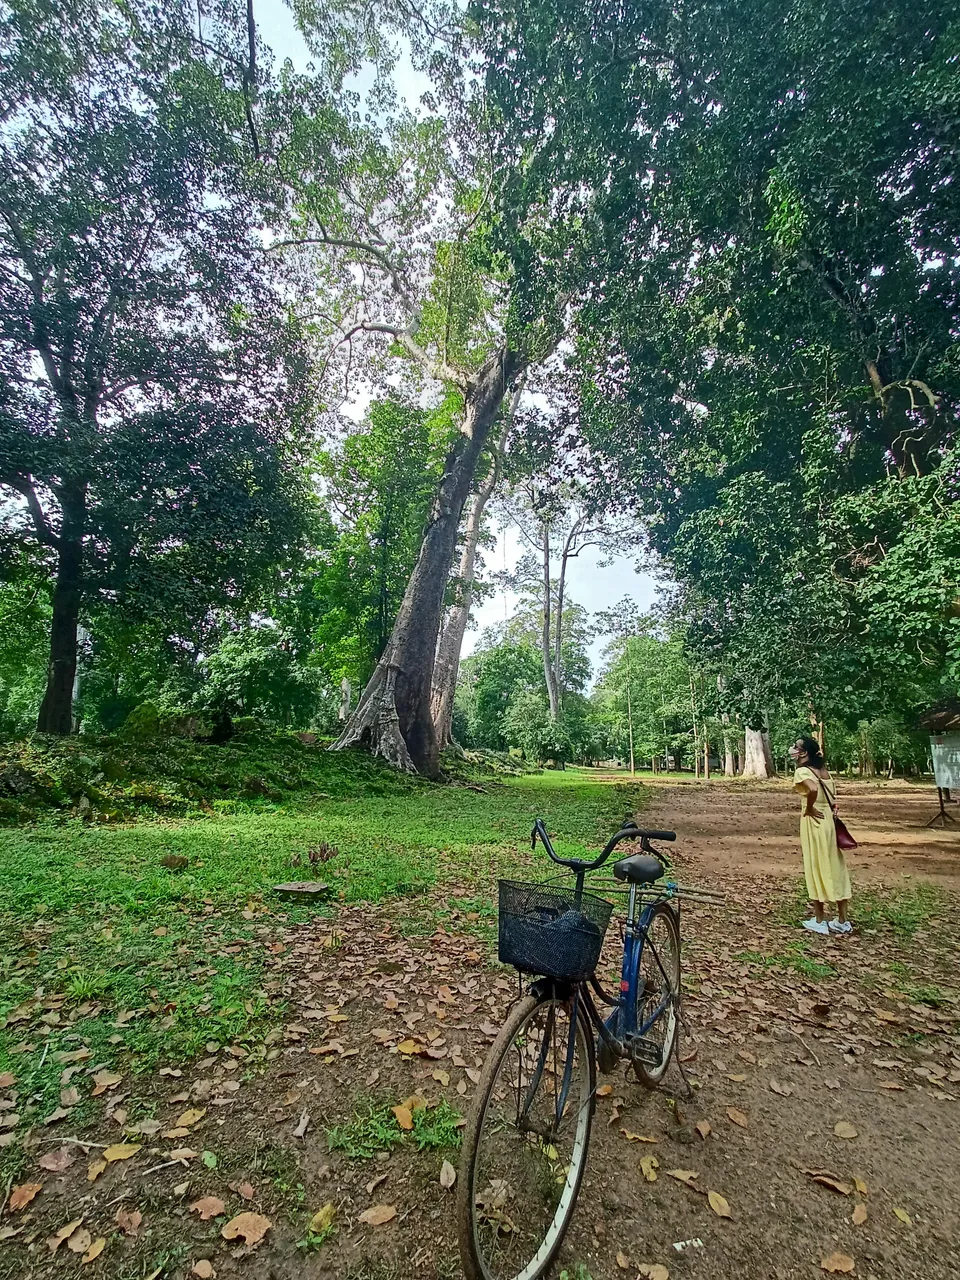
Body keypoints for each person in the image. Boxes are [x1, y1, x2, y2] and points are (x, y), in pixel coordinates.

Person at [789, 736, 852, 936]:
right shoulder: (825, 772)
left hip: (814, 821)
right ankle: (842, 920)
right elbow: (832, 796)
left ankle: (819, 919)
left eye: (796, 747)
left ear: (804, 752)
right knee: (836, 866)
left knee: (815, 865)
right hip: (829, 823)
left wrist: (808, 808)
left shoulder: (802, 771)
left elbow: (813, 789)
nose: (793, 749)